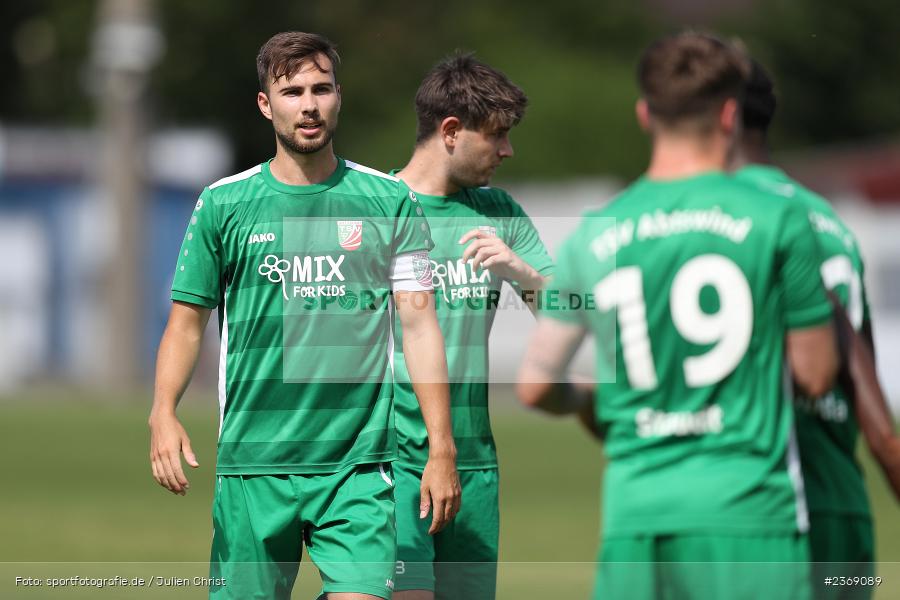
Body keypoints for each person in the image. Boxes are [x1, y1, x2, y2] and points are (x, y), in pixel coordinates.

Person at [516, 32, 838, 600]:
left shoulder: (594, 234)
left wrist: (592, 400)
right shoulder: (780, 219)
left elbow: (536, 386)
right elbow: (816, 374)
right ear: (731, 114)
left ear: (644, 114)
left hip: (636, 514)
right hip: (748, 512)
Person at [148, 31, 461, 600]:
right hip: (253, 464)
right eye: (292, 92)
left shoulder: (390, 200)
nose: (309, 105)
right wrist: (163, 412)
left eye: (321, 89)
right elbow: (186, 324)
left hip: (357, 467)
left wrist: (441, 446)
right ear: (266, 105)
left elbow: (419, 326)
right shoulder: (223, 203)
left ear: (340, 96)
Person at [732, 59, 900, 600]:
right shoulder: (832, 223)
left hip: (759, 504)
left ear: (720, 116)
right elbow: (874, 409)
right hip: (845, 504)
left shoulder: (726, 218)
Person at [390, 54, 554, 600]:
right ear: (451, 132)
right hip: (391, 459)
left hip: (474, 460)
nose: (508, 150)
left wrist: (521, 272)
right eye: (497, 135)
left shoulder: (498, 212)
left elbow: (572, 317)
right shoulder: (375, 209)